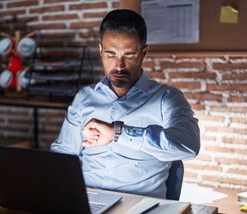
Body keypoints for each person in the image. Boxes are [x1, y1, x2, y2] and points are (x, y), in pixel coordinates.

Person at [50, 9, 200, 198]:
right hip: (86, 203)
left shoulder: (167, 98)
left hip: (140, 211)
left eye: (129, 55)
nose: (119, 65)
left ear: (144, 52)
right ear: (100, 49)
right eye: (111, 55)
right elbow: (63, 152)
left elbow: (189, 147)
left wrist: (117, 132)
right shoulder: (84, 98)